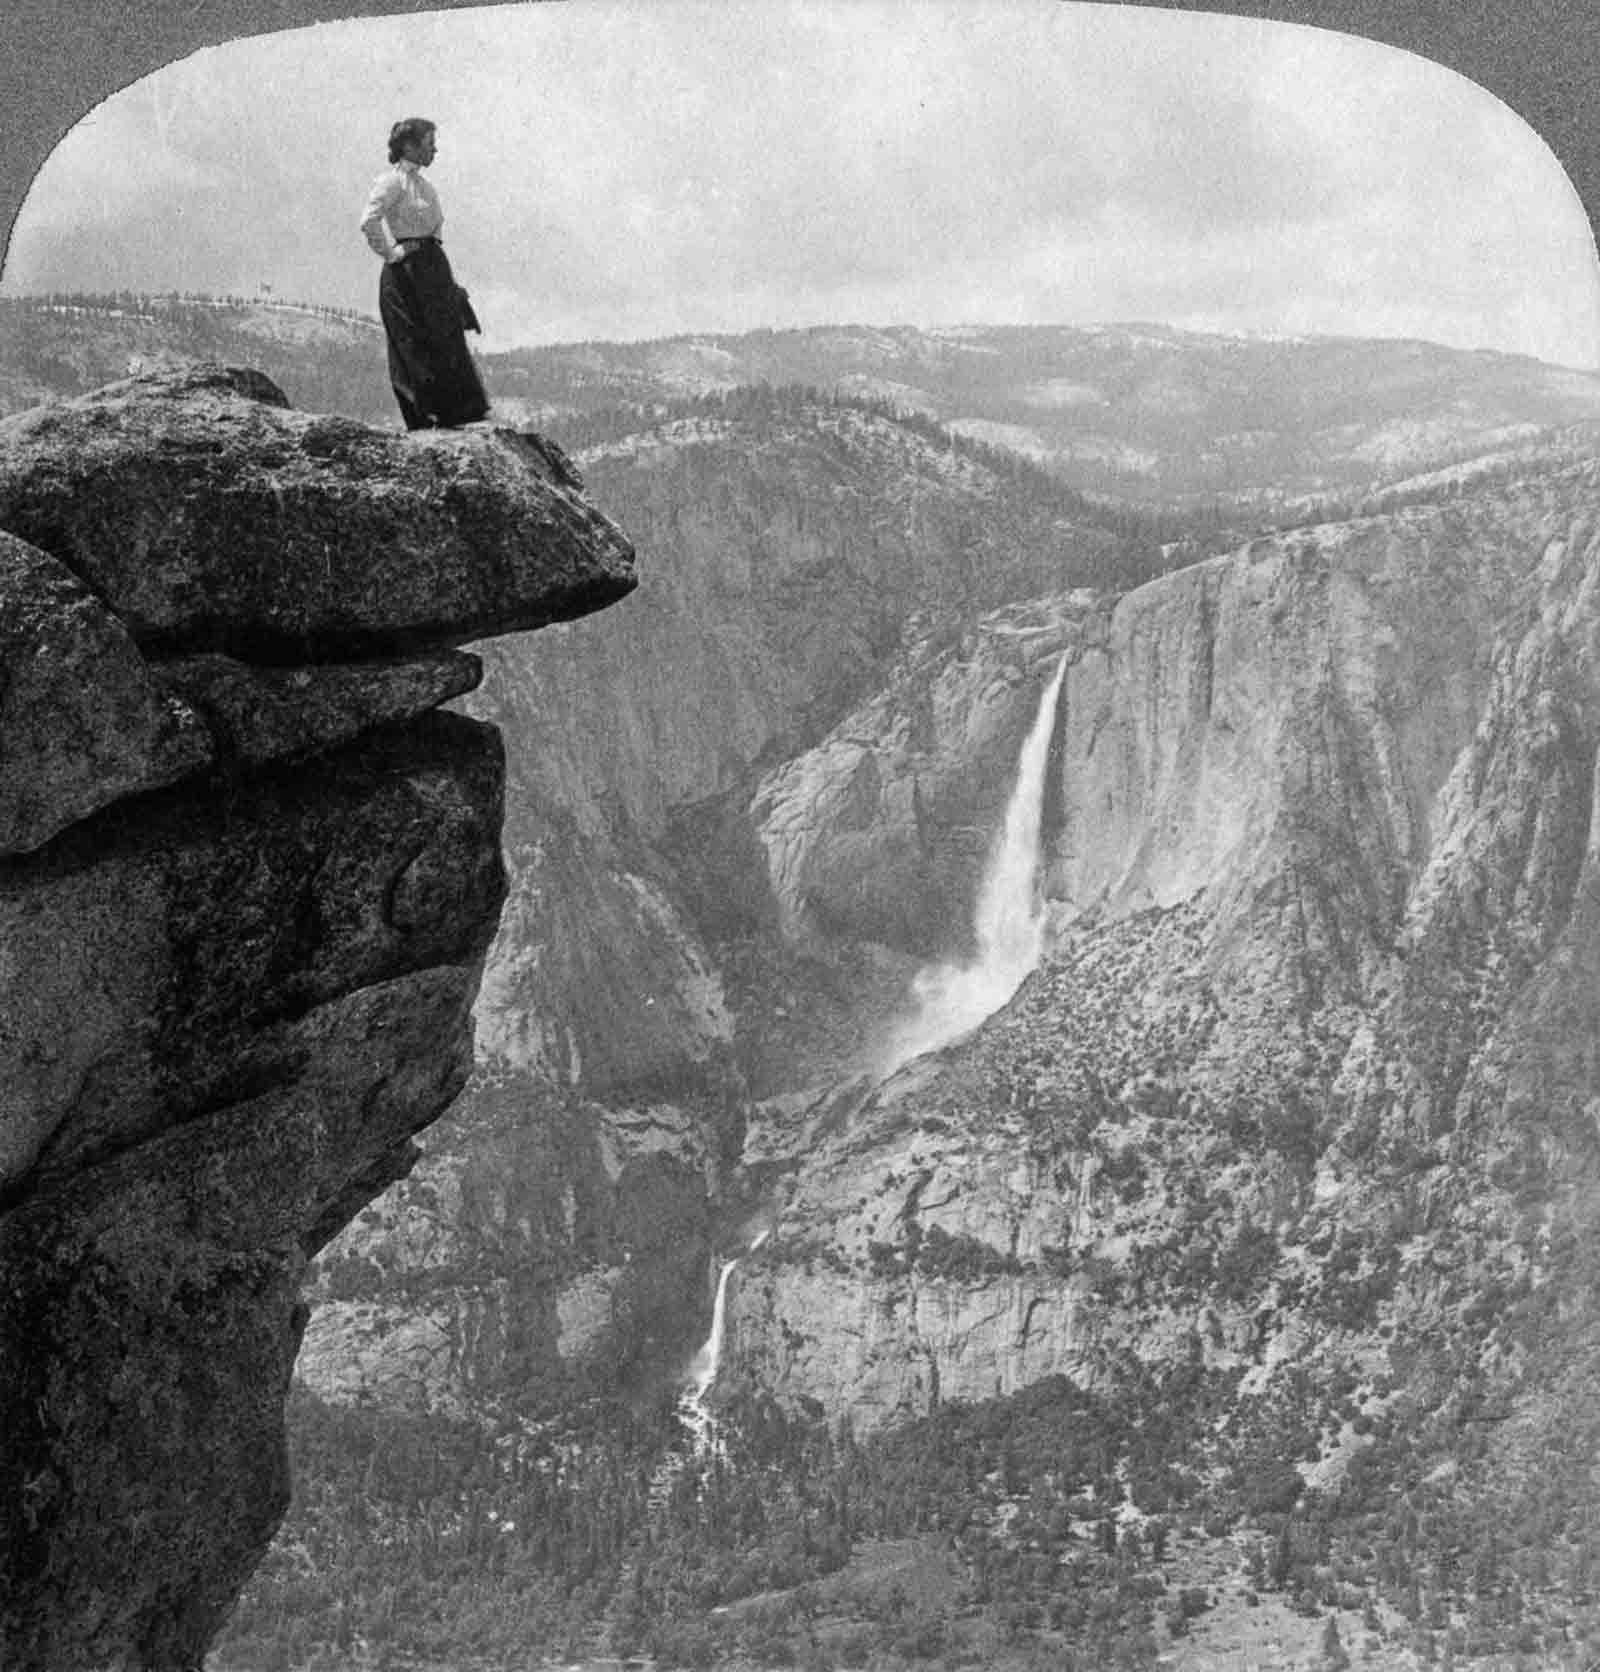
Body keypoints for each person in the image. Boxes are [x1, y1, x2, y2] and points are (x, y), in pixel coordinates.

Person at [359, 117, 490, 430]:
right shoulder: (391, 182)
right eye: (430, 144)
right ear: (409, 146)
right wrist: (391, 253)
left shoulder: (426, 187)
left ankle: (456, 414)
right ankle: (425, 416)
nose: (435, 150)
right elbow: (369, 220)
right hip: (407, 273)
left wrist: (449, 283)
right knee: (412, 341)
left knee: (446, 338)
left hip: (433, 270)